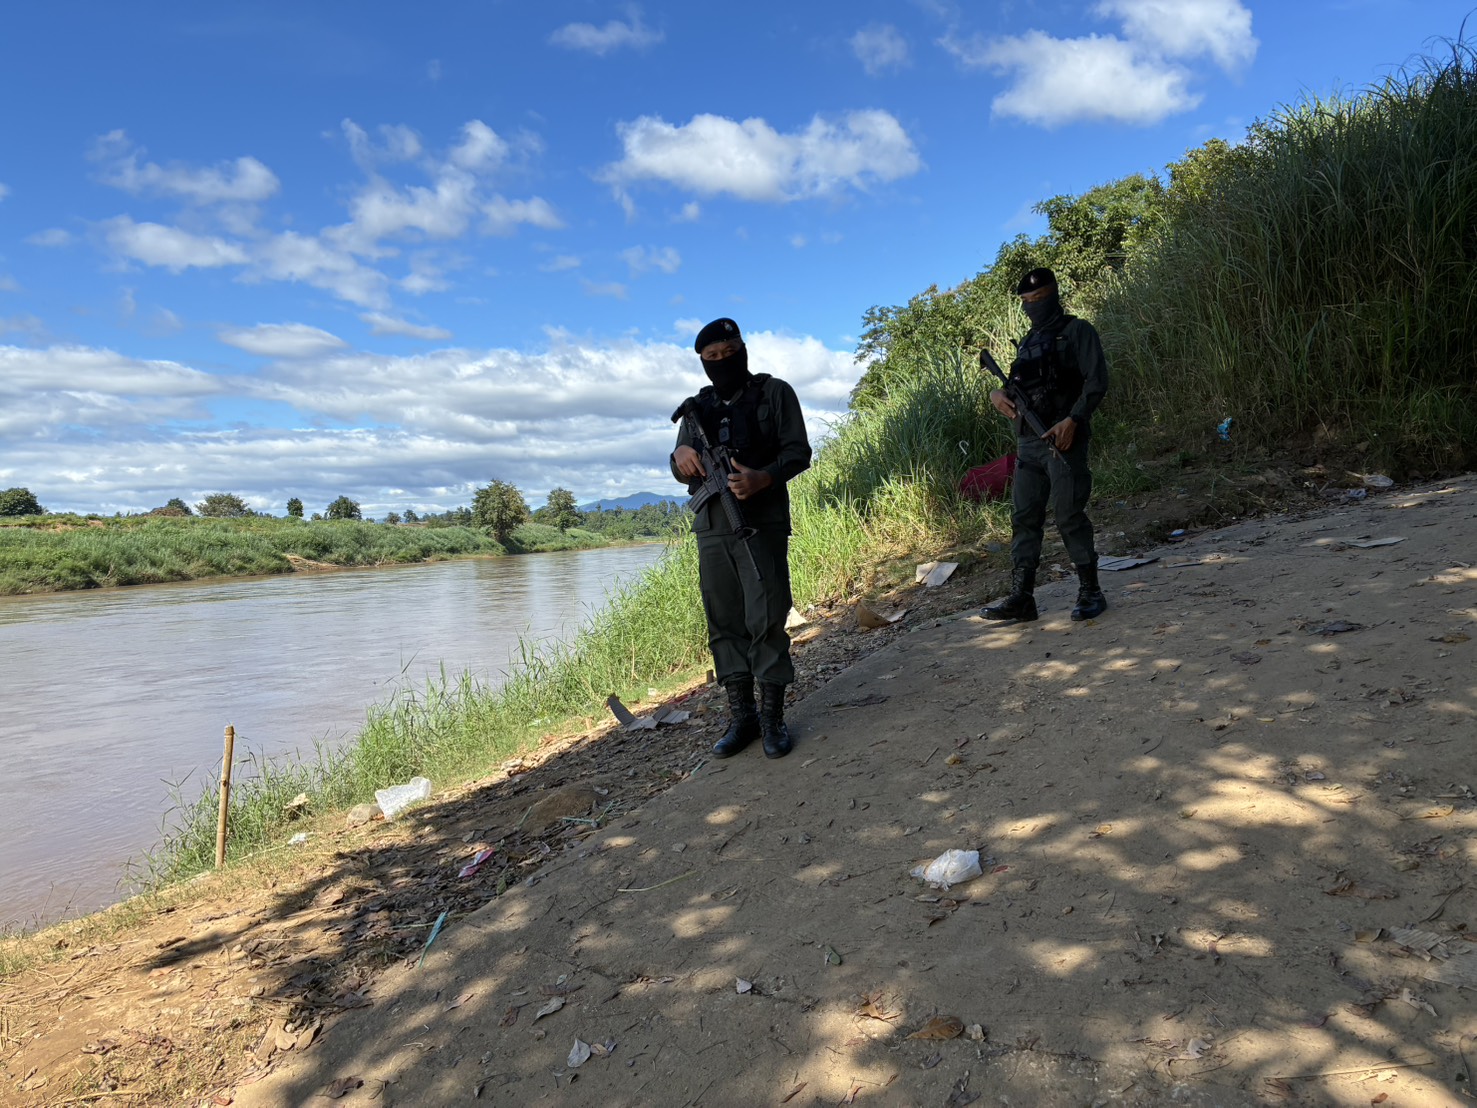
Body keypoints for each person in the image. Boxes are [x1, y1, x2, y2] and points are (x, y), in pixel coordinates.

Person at [671, 318, 812, 758]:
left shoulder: (774, 393)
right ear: (702, 361)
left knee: (766, 616)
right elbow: (680, 470)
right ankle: (742, 718)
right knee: (724, 620)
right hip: (712, 527)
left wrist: (763, 478)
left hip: (760, 522)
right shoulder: (696, 408)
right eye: (712, 357)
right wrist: (680, 454)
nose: (721, 361)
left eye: (729, 352)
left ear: (743, 349)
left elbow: (798, 452)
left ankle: (772, 720)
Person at [982, 268, 1109, 623]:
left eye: (1037, 299)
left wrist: (1074, 420)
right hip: (1028, 443)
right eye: (1025, 301)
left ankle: (1091, 591)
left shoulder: (1077, 331)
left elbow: (1096, 381)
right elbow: (1017, 386)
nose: (1031, 307)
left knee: (1069, 514)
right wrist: (996, 394)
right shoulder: (1027, 342)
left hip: (1063, 438)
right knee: (1024, 518)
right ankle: (1022, 598)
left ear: (1053, 296)